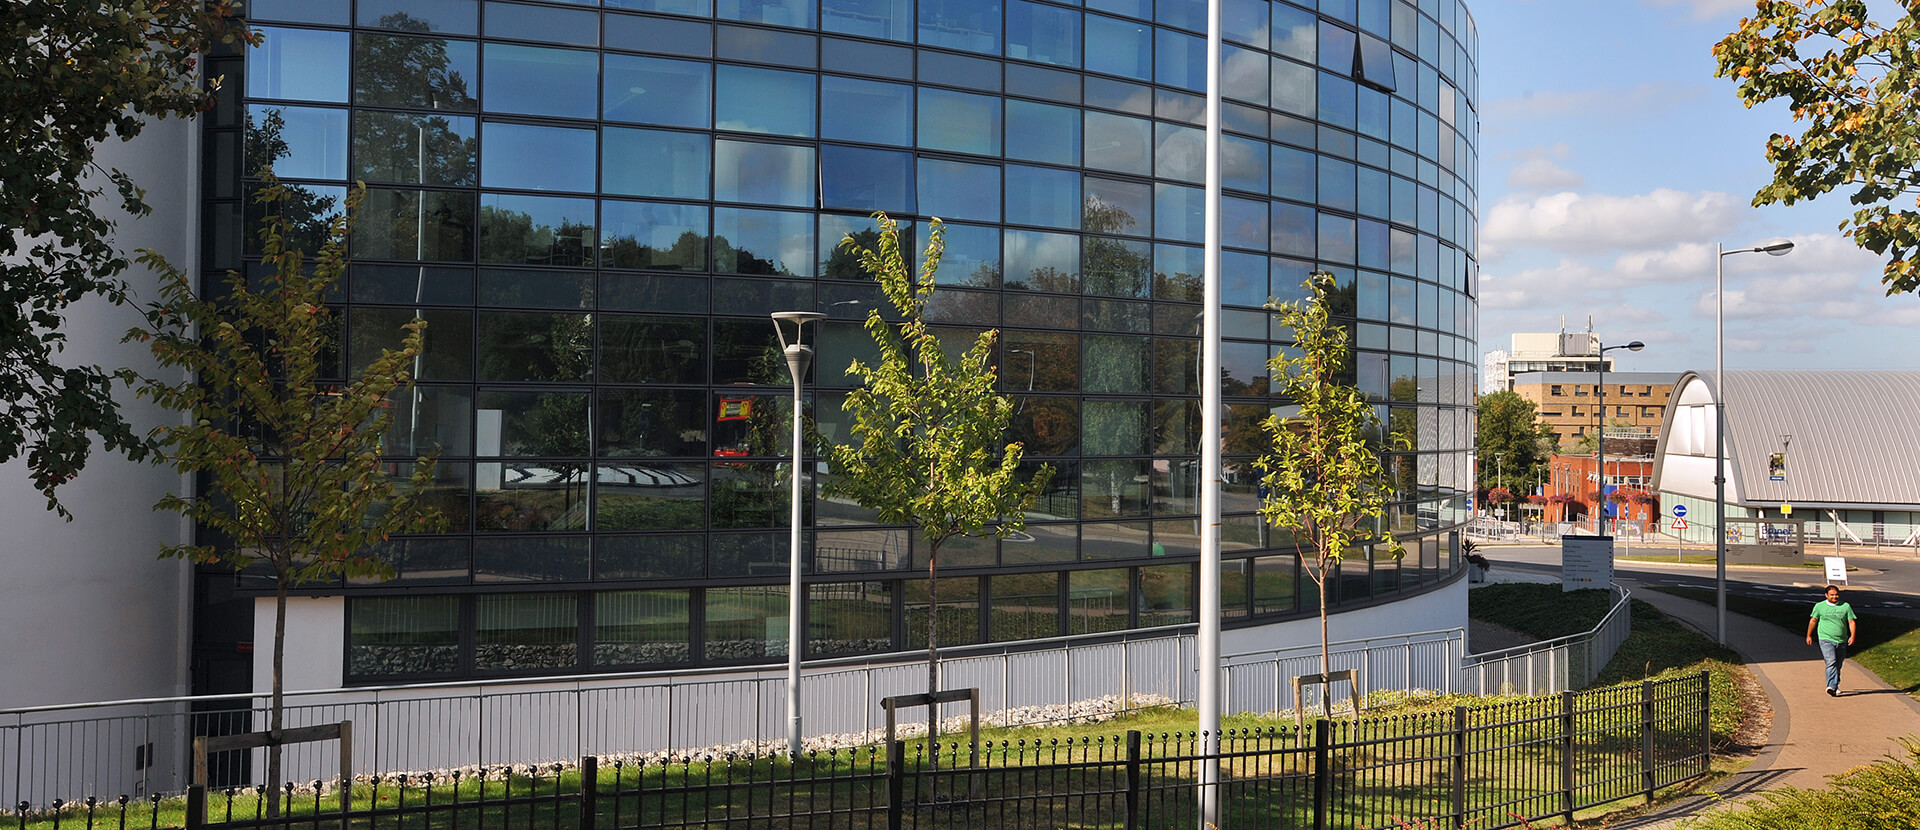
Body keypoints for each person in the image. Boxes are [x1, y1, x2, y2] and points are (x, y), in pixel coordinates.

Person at [1806, 584, 1858, 696]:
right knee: (1831, 661)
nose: (1834, 597)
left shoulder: (1845, 606)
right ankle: (1830, 686)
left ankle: (1835, 686)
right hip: (1825, 638)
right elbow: (1813, 621)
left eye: (1836, 594)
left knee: (1838, 664)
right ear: (1826, 595)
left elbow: (1851, 622)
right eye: (1832, 595)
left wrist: (1852, 636)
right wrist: (1809, 635)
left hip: (1841, 639)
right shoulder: (1819, 606)